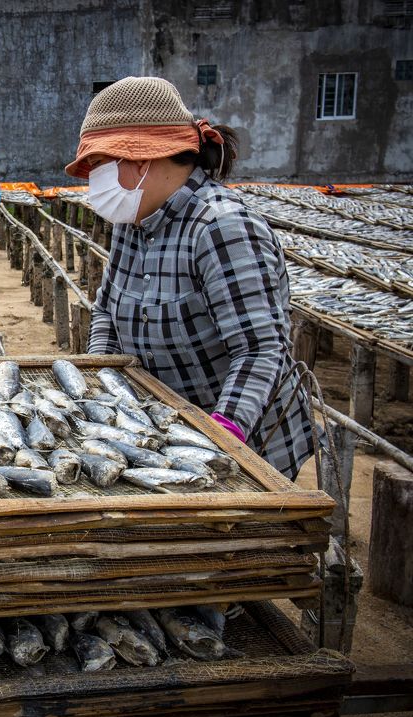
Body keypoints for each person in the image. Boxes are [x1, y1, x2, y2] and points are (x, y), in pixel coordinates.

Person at [64, 76, 313, 479]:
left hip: (245, 441)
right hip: (165, 429)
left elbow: (260, 350)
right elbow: (107, 311)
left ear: (141, 159)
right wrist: (101, 377)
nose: (93, 179)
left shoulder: (222, 229)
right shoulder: (134, 217)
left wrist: (221, 435)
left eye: (97, 165)